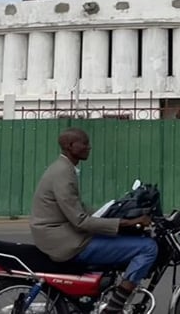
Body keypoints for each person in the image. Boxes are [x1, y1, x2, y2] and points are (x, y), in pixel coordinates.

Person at [31, 127, 157, 313]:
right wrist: (127, 222)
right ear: (70, 146)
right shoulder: (63, 174)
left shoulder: (64, 168)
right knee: (147, 247)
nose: (89, 147)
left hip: (60, 234)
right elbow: (80, 220)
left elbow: (78, 209)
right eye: (85, 143)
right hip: (64, 241)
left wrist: (114, 213)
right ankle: (114, 306)